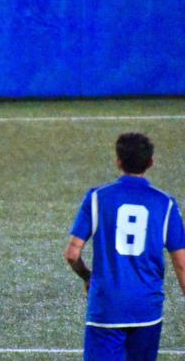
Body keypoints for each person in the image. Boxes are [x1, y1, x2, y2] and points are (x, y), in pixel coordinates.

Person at [64, 133, 185, 361]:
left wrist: (87, 276)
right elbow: (181, 264)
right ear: (150, 162)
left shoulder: (97, 198)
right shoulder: (165, 203)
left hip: (106, 307)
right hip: (146, 309)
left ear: (118, 161)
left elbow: (72, 254)